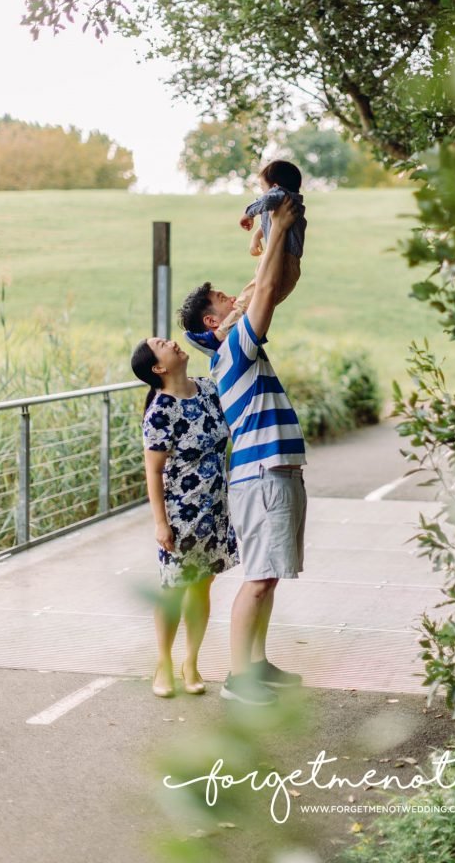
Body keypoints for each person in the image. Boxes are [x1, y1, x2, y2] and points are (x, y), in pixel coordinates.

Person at [178, 196, 306, 707]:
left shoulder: (234, 348)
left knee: (267, 576)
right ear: (214, 323)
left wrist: (273, 230)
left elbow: (267, 283)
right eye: (223, 299)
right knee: (257, 578)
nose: (235, 299)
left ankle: (257, 664)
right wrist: (278, 228)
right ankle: (238, 678)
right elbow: (268, 289)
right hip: (262, 474)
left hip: (272, 470)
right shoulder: (235, 349)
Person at [131, 336, 239, 698]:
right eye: (163, 345)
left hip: (215, 510)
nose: (173, 343)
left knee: (202, 586)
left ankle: (191, 661)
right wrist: (160, 523)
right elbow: (153, 472)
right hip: (181, 513)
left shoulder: (208, 389)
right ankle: (163, 663)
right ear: (158, 367)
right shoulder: (161, 411)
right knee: (174, 590)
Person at [209, 160, 307, 342]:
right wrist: (256, 236)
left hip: (282, 261)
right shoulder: (289, 205)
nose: (262, 194)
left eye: (262, 188)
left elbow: (267, 200)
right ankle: (241, 336)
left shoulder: (280, 197)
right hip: (288, 264)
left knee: (248, 301)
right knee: (254, 303)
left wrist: (249, 213)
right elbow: (270, 222)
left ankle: (219, 336)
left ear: (275, 187)